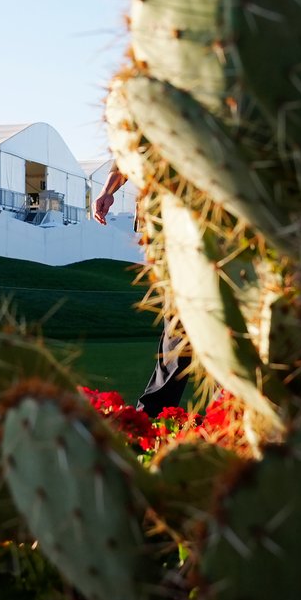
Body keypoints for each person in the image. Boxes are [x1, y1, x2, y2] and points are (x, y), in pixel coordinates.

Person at [92, 165, 191, 416]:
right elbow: (126, 151)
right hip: (162, 223)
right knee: (180, 322)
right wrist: (107, 190)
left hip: (204, 214)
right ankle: (151, 415)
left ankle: (152, 414)